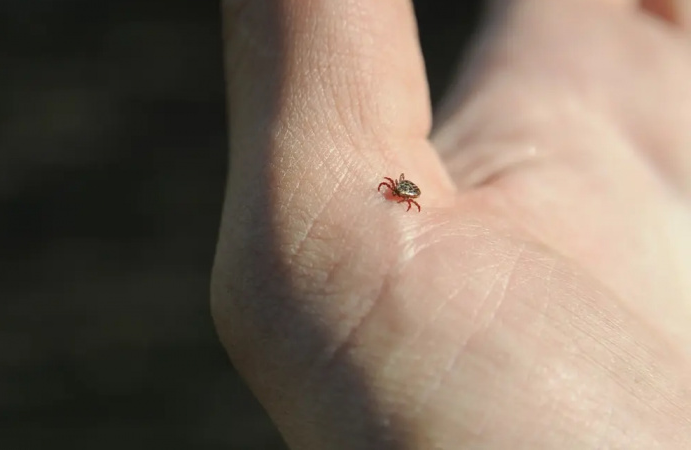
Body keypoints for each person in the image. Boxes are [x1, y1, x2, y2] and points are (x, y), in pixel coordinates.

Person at [211, 0, 691, 447]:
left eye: (399, 193)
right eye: (399, 192)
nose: (398, 195)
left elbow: (401, 190)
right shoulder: (401, 195)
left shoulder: (400, 193)